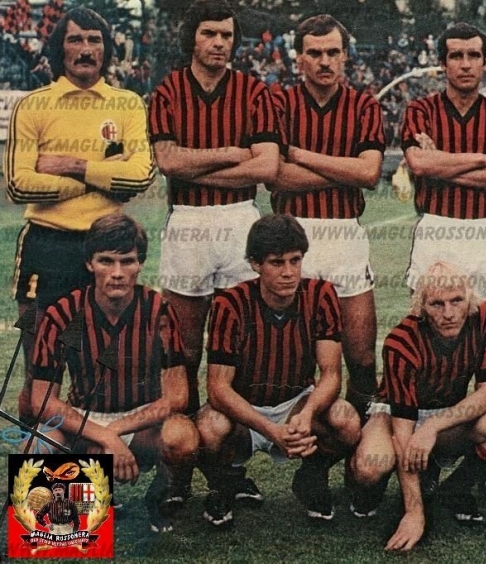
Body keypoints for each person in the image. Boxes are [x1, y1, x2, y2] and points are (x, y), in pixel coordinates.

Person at [148, 0, 285, 504]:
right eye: (210, 33)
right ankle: (180, 467)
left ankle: (227, 465)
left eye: (227, 35)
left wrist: (200, 166)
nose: (220, 43)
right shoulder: (167, 91)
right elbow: (168, 161)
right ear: (193, 38)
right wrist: (230, 153)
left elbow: (266, 167)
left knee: (238, 347)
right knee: (183, 348)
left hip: (239, 219)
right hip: (188, 221)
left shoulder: (254, 92)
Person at [4, 6, 154, 425]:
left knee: (99, 372)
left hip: (108, 250)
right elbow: (19, 185)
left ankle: (95, 460)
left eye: (94, 40)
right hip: (46, 247)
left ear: (106, 50)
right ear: (60, 48)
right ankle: (42, 468)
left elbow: (140, 176)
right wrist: (105, 174)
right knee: (40, 373)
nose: (86, 49)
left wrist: (71, 166)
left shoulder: (126, 104)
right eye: (75, 39)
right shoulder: (34, 105)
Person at [401, 21, 486, 496]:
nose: (466, 64)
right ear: (443, 63)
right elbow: (419, 164)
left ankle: (480, 468)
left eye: (474, 55)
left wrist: (446, 164)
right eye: (456, 55)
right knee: (428, 341)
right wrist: (485, 160)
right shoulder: (420, 109)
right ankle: (428, 452)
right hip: (437, 230)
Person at [29, 214, 199, 534]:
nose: (117, 273)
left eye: (127, 261)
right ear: (89, 263)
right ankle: (71, 514)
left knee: (182, 436)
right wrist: (104, 435)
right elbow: (42, 401)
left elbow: (177, 395)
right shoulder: (63, 314)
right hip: (85, 418)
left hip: (140, 421)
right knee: (39, 441)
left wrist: (116, 431)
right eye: (106, 261)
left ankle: (160, 495)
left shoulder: (158, 311)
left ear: (140, 264)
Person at [196, 215, 361, 527]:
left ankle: (313, 475)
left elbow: (331, 375)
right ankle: (225, 482)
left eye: (295, 260)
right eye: (276, 262)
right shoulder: (231, 303)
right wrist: (270, 430)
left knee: (347, 420)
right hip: (244, 409)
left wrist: (307, 414)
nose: (288, 272)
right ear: (255, 264)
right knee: (208, 427)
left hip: (295, 402)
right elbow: (218, 388)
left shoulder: (320, 294)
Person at [350, 261, 486, 552]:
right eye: (437, 304)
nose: (448, 313)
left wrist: (432, 427)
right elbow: (403, 433)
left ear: (470, 298)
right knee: (369, 468)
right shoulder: (402, 340)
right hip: (394, 415)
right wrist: (414, 513)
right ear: (422, 306)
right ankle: (372, 492)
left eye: (457, 301)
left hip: (446, 413)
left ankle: (455, 488)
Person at [271, 14, 385, 419]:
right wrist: (344, 169)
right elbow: (276, 175)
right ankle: (303, 440)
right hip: (292, 237)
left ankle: (360, 441)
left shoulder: (364, 105)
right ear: (299, 58)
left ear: (345, 56)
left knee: (362, 358)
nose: (325, 61)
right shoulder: (279, 103)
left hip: (345, 236)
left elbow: (369, 173)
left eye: (333, 52)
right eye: (315, 53)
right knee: (294, 357)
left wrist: (300, 155)